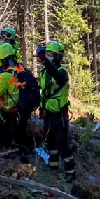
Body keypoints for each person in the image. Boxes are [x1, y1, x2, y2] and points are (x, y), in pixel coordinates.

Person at [38, 40, 74, 180]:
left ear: (58, 56)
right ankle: (53, 166)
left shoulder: (62, 72)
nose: (48, 56)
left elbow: (59, 79)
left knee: (62, 142)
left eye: (51, 54)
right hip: (48, 112)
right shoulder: (44, 72)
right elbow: (44, 92)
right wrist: (41, 108)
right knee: (50, 140)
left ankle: (70, 172)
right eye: (47, 54)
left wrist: (46, 63)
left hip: (60, 114)